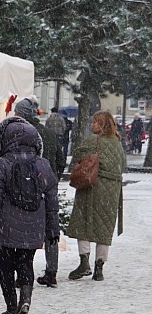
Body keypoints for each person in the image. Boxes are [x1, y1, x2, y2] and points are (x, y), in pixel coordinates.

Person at [0, 118, 59, 314]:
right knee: (26, 264)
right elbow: (52, 201)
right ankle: (26, 299)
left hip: (5, 226)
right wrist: (52, 228)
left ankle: (11, 307)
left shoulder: (2, 164)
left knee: (5, 267)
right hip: (33, 226)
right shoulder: (43, 165)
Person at [0, 97, 65, 287]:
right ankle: (51, 270)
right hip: (43, 190)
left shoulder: (14, 137)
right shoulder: (48, 134)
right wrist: (50, 179)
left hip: (20, 193)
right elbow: (60, 160)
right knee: (50, 229)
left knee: (20, 236)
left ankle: (21, 275)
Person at [66, 110, 125, 281]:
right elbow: (122, 165)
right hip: (112, 191)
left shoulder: (94, 140)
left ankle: (84, 263)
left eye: (95, 122)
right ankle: (99, 267)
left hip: (92, 187)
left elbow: (77, 155)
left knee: (83, 224)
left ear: (103, 125)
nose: (92, 125)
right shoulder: (117, 142)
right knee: (104, 229)